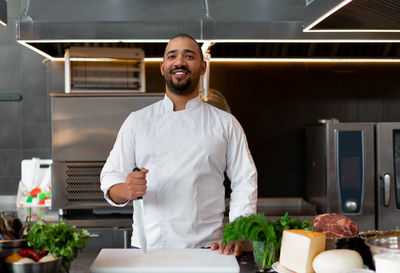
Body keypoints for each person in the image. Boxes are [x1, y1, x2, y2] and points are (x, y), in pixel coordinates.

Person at [100, 34, 257, 256]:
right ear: (163, 67)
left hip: (210, 248)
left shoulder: (226, 124)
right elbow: (110, 178)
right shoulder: (137, 121)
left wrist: (238, 232)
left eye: (189, 56)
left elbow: (244, 181)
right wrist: (126, 190)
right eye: (172, 56)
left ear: (202, 67)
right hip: (151, 248)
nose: (180, 62)